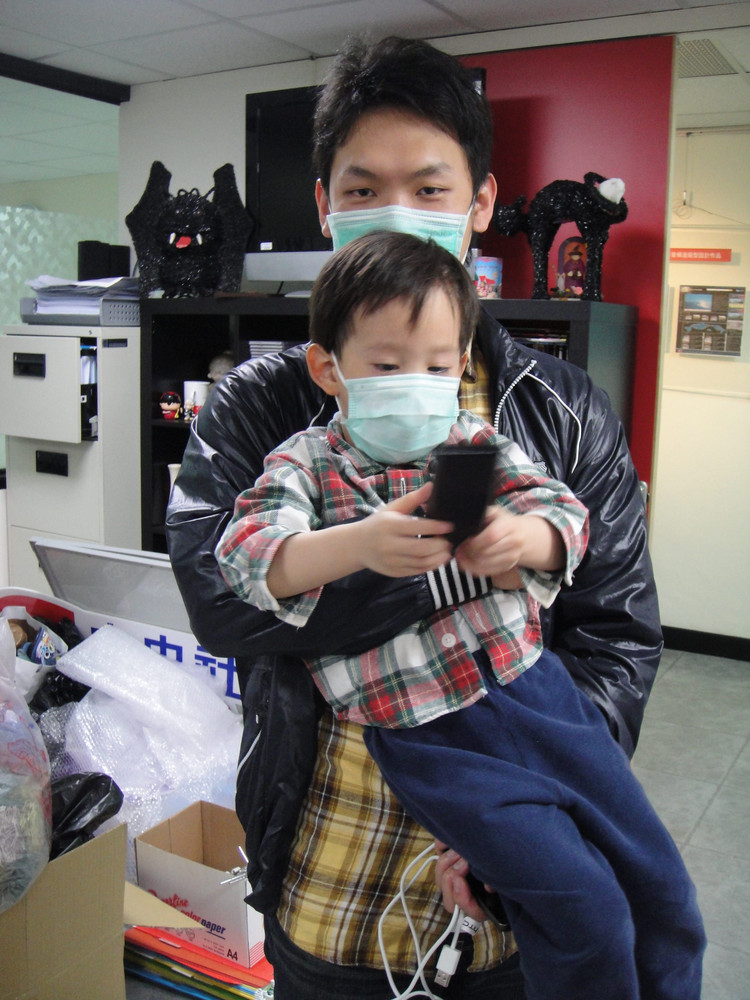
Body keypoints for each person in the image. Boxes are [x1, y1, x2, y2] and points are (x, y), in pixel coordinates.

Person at [166, 34, 664, 999]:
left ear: (480, 203)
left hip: (508, 866)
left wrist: (538, 802)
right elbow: (218, 603)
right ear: (324, 205)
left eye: (430, 188)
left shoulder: (563, 411)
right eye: (363, 188)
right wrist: (439, 566)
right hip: (328, 863)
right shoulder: (261, 403)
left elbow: (616, 634)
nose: (395, 212)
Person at [214, 231, 704, 1000]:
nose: (417, 385)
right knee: (585, 909)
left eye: (439, 367)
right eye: (387, 366)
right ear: (329, 368)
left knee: (662, 890)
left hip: (539, 698)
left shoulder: (475, 441)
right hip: (429, 736)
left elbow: (567, 517)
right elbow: (246, 557)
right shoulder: (305, 464)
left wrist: (524, 540)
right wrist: (356, 544)